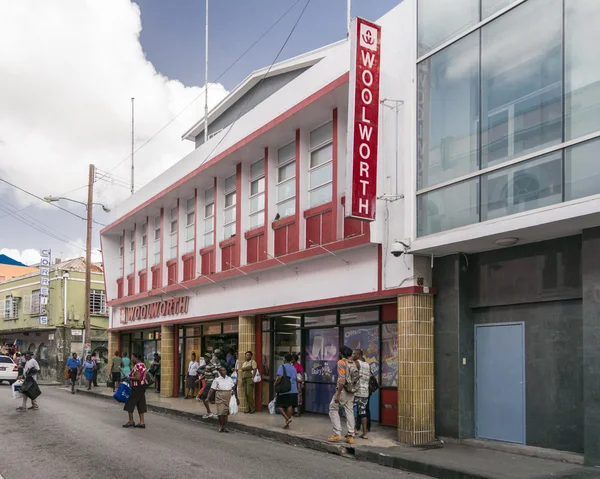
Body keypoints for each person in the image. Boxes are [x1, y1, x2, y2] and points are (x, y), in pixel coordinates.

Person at [328, 346, 357, 445]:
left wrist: (338, 394)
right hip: (351, 390)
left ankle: (337, 434)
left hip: (343, 390)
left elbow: (341, 379)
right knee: (349, 411)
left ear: (341, 353)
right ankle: (351, 436)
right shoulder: (353, 362)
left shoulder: (341, 362)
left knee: (333, 408)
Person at [122, 352, 148, 429]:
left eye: (132, 357)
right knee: (141, 403)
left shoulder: (137, 366)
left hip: (136, 387)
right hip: (142, 386)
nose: (131, 359)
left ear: (136, 358)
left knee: (130, 403)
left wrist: (128, 377)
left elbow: (137, 377)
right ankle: (142, 422)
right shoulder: (143, 365)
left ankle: (131, 421)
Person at [208, 366, 235, 433]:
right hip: (220, 396)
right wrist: (208, 398)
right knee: (220, 412)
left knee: (226, 413)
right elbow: (212, 389)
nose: (224, 371)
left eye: (225, 370)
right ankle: (220, 425)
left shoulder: (229, 378)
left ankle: (224, 426)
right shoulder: (217, 380)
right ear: (220, 372)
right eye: (222, 370)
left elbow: (233, 387)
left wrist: (233, 392)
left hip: (228, 396)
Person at [274, 353, 298, 429]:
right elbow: (296, 378)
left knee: (278, 405)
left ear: (284, 360)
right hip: (294, 389)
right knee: (289, 405)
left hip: (285, 389)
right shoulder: (293, 368)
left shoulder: (282, 366)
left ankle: (287, 419)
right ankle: (287, 424)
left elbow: (279, 377)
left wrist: (275, 383)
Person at [352, 349, 371, 439]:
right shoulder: (367, 364)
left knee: (350, 410)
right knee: (363, 412)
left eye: (354, 354)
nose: (352, 356)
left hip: (356, 392)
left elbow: (353, 376)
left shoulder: (356, 363)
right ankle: (365, 433)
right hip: (365, 392)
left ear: (359, 355)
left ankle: (352, 431)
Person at [197, 352, 217, 418]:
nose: (205, 359)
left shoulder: (211, 365)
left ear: (209, 358)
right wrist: (199, 380)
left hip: (210, 383)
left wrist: (215, 383)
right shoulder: (206, 366)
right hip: (208, 382)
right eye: (205, 357)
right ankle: (210, 412)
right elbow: (206, 374)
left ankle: (209, 412)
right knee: (208, 399)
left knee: (204, 398)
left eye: (207, 358)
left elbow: (216, 375)